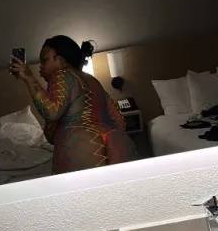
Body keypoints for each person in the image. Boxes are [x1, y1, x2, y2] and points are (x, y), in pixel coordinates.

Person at [10, 36, 134, 174]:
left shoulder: (60, 74)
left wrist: (29, 78)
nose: (41, 66)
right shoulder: (93, 80)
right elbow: (118, 118)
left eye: (45, 60)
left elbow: (51, 112)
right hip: (118, 146)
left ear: (61, 59)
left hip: (82, 149)